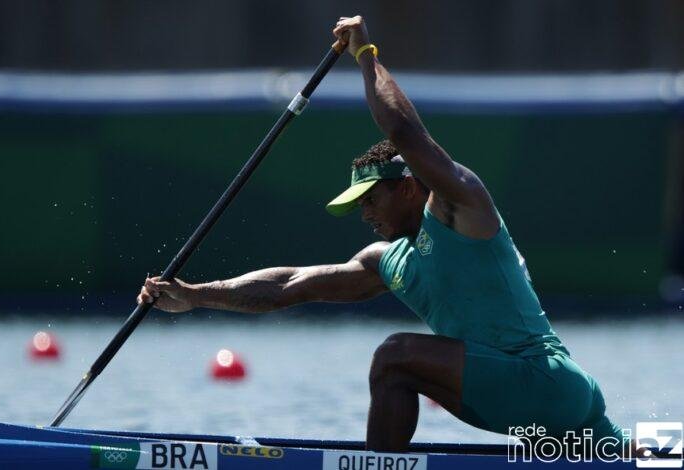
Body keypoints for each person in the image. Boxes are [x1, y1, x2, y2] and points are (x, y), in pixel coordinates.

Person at [138, 15, 625, 454]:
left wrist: (366, 56)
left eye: (372, 199)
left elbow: (407, 136)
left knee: (395, 358)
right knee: (635, 457)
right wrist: (196, 295)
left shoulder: (460, 207)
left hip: (544, 382)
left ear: (410, 186)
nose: (365, 213)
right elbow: (287, 286)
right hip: (535, 405)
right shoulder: (386, 260)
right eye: (358, 204)